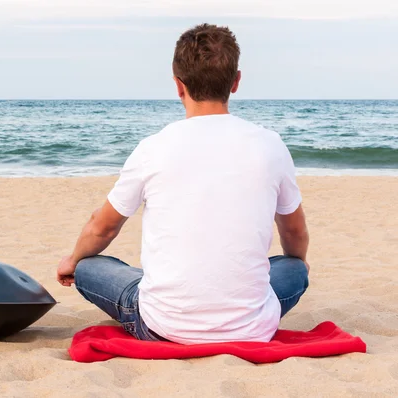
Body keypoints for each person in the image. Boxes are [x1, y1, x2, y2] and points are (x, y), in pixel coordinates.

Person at [56, 23, 310, 344]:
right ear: (236, 81)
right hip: (252, 329)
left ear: (178, 85)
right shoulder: (270, 145)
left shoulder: (153, 147)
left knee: (89, 266)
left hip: (162, 326)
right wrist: (296, 261)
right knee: (292, 267)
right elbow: (295, 232)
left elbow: (102, 227)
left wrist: (73, 259)